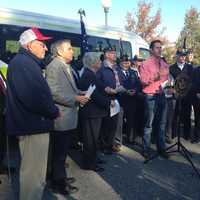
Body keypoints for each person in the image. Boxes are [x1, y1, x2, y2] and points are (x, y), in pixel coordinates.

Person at [6, 27, 59, 200]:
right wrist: (54, 111)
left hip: (33, 124)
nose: (45, 47)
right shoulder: (24, 64)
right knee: (33, 176)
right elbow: (34, 98)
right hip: (32, 126)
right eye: (41, 44)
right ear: (29, 46)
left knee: (34, 173)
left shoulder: (25, 63)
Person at [45, 40, 89, 196]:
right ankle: (58, 183)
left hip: (68, 115)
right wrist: (75, 99)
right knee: (59, 153)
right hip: (61, 116)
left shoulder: (65, 65)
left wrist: (79, 92)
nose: (73, 51)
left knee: (61, 151)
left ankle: (57, 176)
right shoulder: (54, 66)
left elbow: (68, 88)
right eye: (69, 49)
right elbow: (53, 93)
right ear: (59, 52)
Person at [78, 52, 111, 171]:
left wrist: (107, 90)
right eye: (99, 60)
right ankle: (89, 164)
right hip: (91, 113)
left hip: (94, 112)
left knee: (94, 138)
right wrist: (109, 103)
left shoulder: (92, 74)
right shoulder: (88, 75)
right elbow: (95, 96)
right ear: (93, 63)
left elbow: (100, 87)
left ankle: (94, 158)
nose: (101, 62)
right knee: (90, 139)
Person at [139, 39, 169, 160]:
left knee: (162, 124)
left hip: (162, 95)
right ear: (151, 50)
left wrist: (170, 85)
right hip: (150, 95)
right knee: (149, 124)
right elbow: (143, 81)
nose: (160, 49)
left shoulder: (164, 63)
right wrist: (156, 76)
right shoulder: (145, 64)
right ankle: (145, 149)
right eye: (157, 47)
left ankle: (161, 148)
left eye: (160, 47)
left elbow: (167, 79)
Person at [97, 46, 122, 154]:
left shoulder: (115, 68)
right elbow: (97, 82)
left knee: (113, 124)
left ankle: (109, 144)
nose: (114, 55)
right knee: (106, 124)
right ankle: (103, 145)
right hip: (106, 99)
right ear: (106, 54)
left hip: (116, 99)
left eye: (114, 53)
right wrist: (105, 89)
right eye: (112, 53)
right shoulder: (101, 68)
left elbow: (119, 81)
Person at [170, 49, 193, 140]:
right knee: (174, 116)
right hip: (175, 96)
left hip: (187, 96)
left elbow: (192, 81)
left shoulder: (190, 68)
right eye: (180, 55)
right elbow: (170, 82)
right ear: (177, 56)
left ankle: (187, 135)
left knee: (187, 115)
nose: (182, 57)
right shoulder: (171, 68)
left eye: (184, 56)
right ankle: (174, 133)